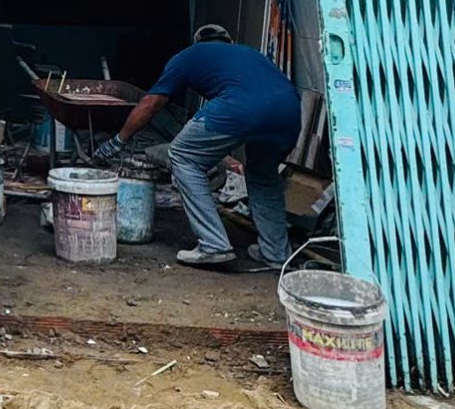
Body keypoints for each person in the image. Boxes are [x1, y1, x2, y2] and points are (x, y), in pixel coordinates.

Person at [93, 21, 300, 272]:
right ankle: (276, 254)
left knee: (182, 155)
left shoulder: (188, 56)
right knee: (263, 176)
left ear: (198, 42)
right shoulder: (251, 54)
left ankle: (214, 245)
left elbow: (151, 102)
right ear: (228, 41)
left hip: (240, 108)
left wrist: (118, 140)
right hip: (289, 112)